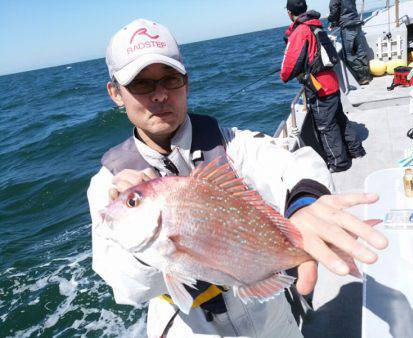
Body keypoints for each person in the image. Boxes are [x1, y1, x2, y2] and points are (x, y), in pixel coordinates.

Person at [88, 18, 387, 337]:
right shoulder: (109, 186)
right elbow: (127, 289)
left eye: (170, 78)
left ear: (186, 82)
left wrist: (304, 202)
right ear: (116, 93)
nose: (160, 94)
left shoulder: (230, 145)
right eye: (141, 84)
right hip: (189, 328)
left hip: (270, 319)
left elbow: (291, 164)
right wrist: (151, 245)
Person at [280, 0, 366, 173]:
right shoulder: (315, 25)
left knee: (325, 126)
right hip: (332, 82)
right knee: (340, 118)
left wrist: (285, 74)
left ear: (290, 13)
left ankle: (339, 162)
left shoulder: (300, 31)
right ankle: (356, 150)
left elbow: (287, 69)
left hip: (320, 88)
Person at [328, 0, 372, 85]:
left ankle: (362, 78)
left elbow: (334, 12)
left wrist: (330, 19)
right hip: (356, 24)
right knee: (360, 52)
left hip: (347, 28)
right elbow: (347, 9)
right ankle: (367, 75)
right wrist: (335, 23)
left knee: (350, 55)